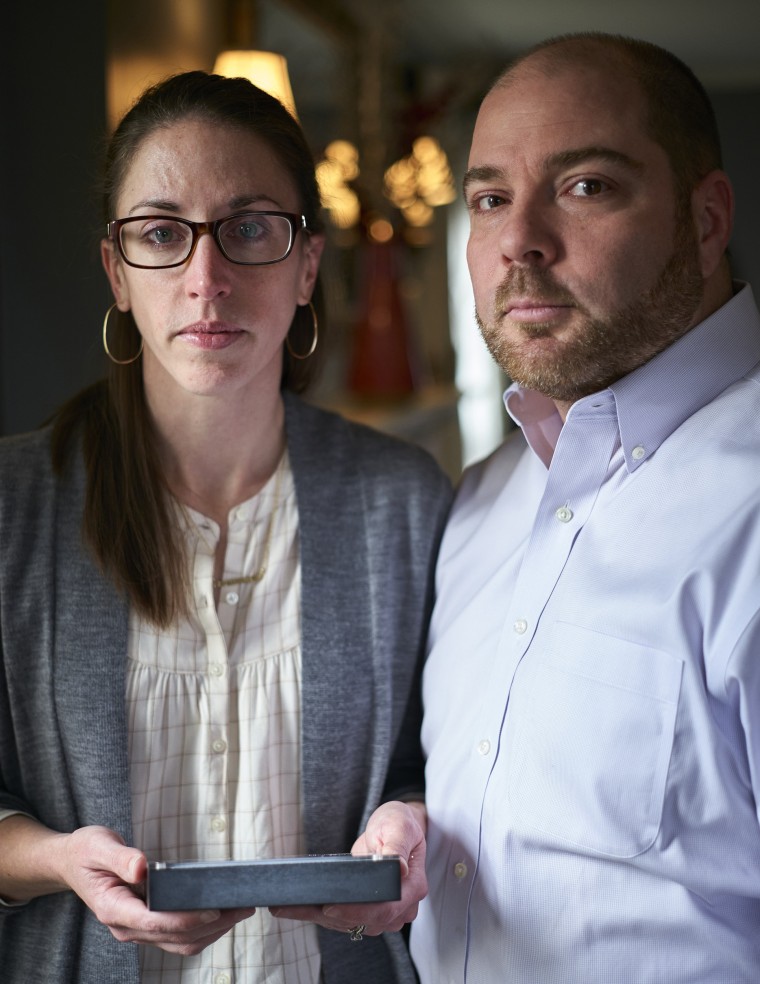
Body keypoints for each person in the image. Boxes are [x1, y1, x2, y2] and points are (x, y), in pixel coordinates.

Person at [0, 71, 452, 984]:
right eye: (163, 234)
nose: (207, 279)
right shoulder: (14, 505)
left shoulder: (400, 501)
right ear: (116, 273)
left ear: (307, 265)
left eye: (249, 229)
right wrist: (53, 860)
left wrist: (415, 823)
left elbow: (437, 759)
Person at [411, 32, 760, 983]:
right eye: (489, 199)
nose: (519, 238)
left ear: (706, 218)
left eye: (587, 186)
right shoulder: (479, 504)